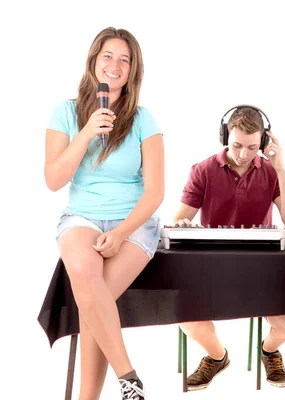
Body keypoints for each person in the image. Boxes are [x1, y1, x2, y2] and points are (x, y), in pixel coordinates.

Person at [44, 27, 164, 400]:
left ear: (132, 71)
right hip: (82, 217)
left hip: (135, 222)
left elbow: (155, 192)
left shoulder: (144, 119)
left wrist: (123, 232)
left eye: (124, 60)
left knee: (93, 301)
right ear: (94, 61)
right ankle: (129, 377)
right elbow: (53, 179)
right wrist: (85, 133)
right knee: (84, 276)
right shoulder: (65, 112)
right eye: (108, 56)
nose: (115, 65)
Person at [172, 105, 285, 391]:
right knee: (182, 313)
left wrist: (281, 169)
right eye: (236, 145)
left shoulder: (271, 172)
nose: (244, 154)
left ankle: (268, 350)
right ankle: (217, 356)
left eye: (252, 147)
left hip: (262, 269)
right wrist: (182, 224)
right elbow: (180, 218)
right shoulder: (203, 170)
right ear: (225, 137)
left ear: (264, 143)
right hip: (212, 266)